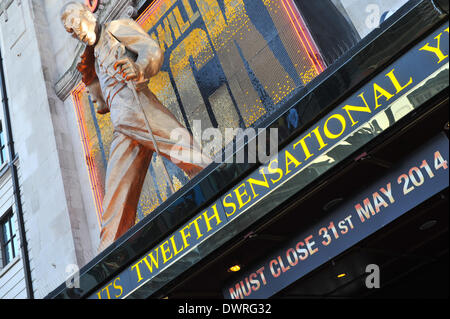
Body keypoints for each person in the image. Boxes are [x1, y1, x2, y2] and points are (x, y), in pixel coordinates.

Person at [60, 2, 211, 252]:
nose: (79, 34)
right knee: (117, 194)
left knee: (183, 147)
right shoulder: (91, 58)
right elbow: (99, 95)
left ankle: (218, 183)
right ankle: (109, 256)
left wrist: (139, 68)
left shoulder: (117, 28)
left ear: (89, 14)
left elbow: (151, 51)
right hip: (122, 121)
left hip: (138, 105)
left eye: (79, 26)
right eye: (73, 33)